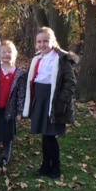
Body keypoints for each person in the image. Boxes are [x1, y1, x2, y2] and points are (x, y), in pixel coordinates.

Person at [23, 27, 77, 178]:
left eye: (46, 41)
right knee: (44, 134)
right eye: (39, 42)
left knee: (50, 135)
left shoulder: (61, 59)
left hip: (53, 100)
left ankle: (56, 166)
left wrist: (61, 103)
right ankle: (45, 164)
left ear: (53, 41)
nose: (42, 44)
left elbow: (70, 82)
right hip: (39, 99)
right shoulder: (37, 59)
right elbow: (30, 79)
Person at [0, 41, 26, 167]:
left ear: (15, 54)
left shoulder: (19, 73)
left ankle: (6, 156)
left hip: (9, 110)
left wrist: (19, 111)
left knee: (7, 134)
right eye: (3, 52)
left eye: (9, 52)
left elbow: (21, 94)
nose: (6, 54)